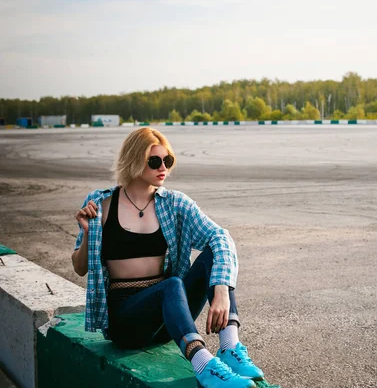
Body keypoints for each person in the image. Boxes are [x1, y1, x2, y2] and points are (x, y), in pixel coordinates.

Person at [71, 127, 263, 388]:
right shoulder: (101, 203)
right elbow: (79, 268)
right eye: (154, 161)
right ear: (134, 159)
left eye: (167, 160)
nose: (163, 167)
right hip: (125, 322)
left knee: (213, 256)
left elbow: (221, 237)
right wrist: (87, 232)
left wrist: (220, 288)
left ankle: (230, 346)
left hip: (166, 319)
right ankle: (204, 367)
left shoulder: (174, 203)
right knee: (171, 285)